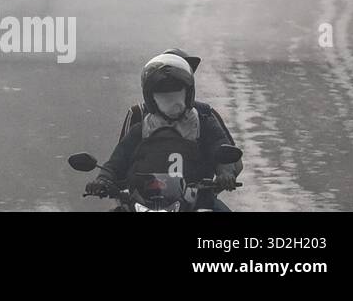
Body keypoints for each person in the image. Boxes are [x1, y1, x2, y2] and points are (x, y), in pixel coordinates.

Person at [85, 50, 242, 210]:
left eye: (177, 93)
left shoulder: (204, 118)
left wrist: (225, 175)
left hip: (195, 200)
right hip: (143, 201)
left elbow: (223, 151)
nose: (172, 102)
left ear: (189, 90)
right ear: (151, 97)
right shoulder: (140, 123)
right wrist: (103, 180)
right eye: (164, 96)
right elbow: (117, 161)